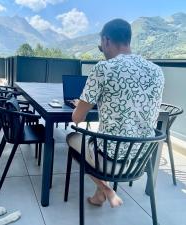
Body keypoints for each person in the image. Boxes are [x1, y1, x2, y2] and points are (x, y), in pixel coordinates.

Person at [66, 18, 164, 208]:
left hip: (111, 162)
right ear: (128, 40)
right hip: (140, 159)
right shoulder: (157, 71)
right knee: (106, 142)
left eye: (101, 47)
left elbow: (77, 118)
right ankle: (100, 195)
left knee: (71, 138)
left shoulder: (104, 68)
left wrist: (81, 104)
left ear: (106, 40)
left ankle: (105, 189)